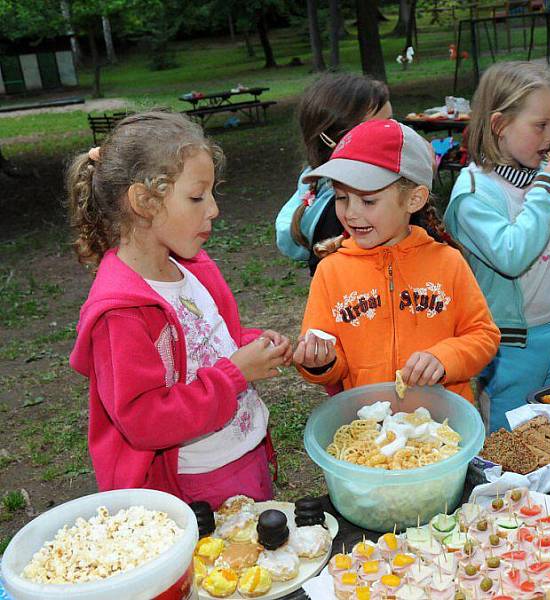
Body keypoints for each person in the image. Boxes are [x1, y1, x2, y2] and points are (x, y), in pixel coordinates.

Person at [68, 111, 292, 509]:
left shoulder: (193, 269)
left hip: (243, 452)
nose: (213, 209)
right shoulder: (120, 313)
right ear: (143, 201)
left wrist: (255, 346)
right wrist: (236, 374)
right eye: (196, 196)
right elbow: (144, 419)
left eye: (211, 193)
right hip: (193, 487)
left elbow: (209, 344)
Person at [444, 61, 550, 432]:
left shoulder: (536, 177)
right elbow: (511, 255)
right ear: (499, 125)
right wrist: (547, 194)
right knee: (512, 434)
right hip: (512, 341)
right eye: (540, 126)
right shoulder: (472, 194)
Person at [292, 119, 500, 403]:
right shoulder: (331, 271)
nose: (350, 213)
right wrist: (320, 361)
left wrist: (444, 358)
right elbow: (330, 359)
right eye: (342, 198)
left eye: (368, 201)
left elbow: (483, 335)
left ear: (414, 200)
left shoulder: (447, 262)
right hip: (370, 430)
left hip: (444, 427)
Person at [275, 73, 391, 277]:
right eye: (382, 128)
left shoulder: (326, 190)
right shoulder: (346, 213)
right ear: (334, 140)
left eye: (392, 122)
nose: (397, 132)